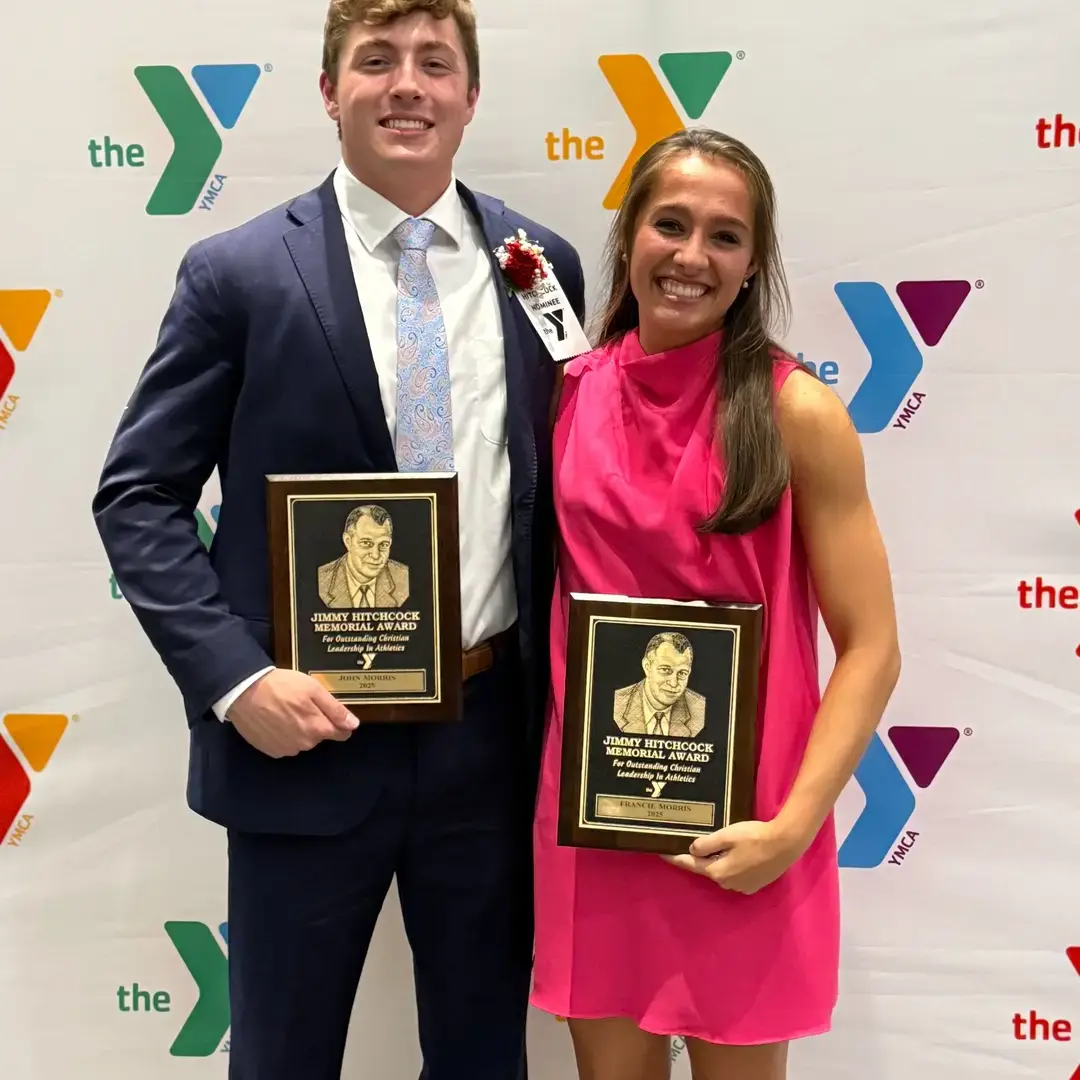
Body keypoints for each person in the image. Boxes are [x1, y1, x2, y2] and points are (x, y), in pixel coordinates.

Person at [91, 1, 585, 1077]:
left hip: (489, 740)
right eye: (375, 62)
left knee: (481, 1056)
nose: (407, 84)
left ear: (470, 97)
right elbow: (138, 495)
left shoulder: (537, 268)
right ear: (330, 92)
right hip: (306, 737)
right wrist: (237, 681)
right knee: (282, 1058)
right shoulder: (240, 275)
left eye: (434, 64)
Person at [531, 127, 901, 1080]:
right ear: (630, 241)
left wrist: (793, 828)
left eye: (726, 237)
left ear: (752, 266)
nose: (693, 256)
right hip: (598, 824)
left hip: (747, 833)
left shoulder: (797, 413)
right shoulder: (569, 393)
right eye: (671, 223)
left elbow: (871, 646)